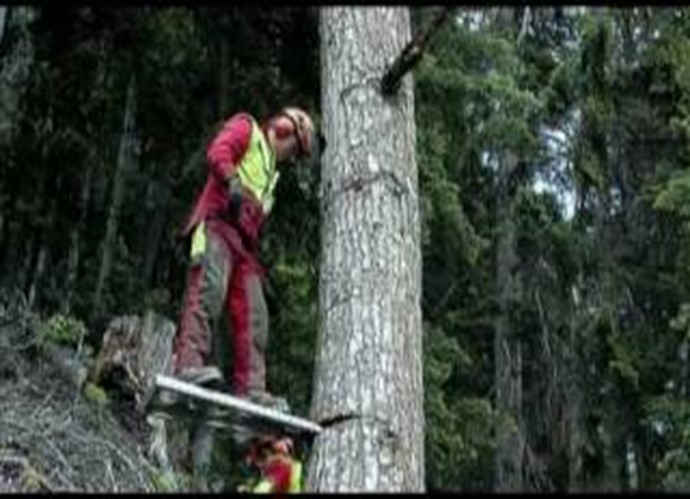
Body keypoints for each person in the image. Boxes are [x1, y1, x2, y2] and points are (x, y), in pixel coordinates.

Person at [170, 106, 322, 409]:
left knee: (256, 316)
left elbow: (255, 222)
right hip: (216, 226)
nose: (291, 156)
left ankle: (251, 389)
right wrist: (232, 181)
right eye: (294, 148)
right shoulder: (247, 129)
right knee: (208, 292)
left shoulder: (272, 178)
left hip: (243, 248)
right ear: (283, 129)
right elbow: (218, 152)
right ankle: (187, 365)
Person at [238, 435, 303, 493]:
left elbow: (266, 487)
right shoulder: (285, 466)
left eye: (255, 463)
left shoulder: (279, 468)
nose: (259, 467)